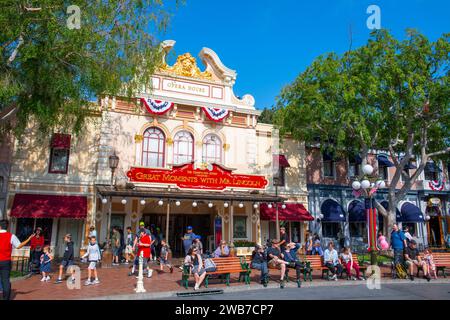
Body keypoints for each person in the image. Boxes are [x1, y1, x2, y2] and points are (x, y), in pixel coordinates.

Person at [0, 219, 34, 300]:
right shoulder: (11, 236)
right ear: (7, 227)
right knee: (5, 280)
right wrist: (28, 239)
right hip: (6, 261)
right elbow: (19, 246)